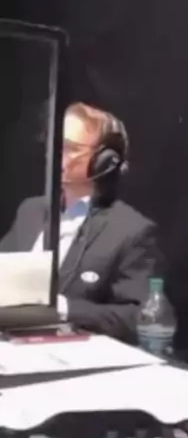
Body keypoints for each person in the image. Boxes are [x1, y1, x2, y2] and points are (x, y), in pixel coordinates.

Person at [0, 102, 163, 343]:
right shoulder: (30, 211)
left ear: (104, 161)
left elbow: (139, 317)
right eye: (54, 144)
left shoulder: (131, 231)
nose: (54, 154)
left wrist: (65, 309)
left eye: (69, 148)